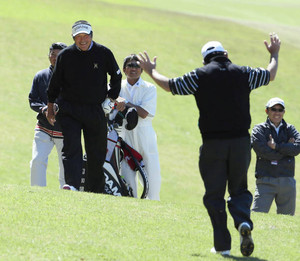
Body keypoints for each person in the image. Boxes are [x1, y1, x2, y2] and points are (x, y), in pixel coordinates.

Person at [138, 33, 281, 256]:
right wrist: (274, 54)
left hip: (213, 144)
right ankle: (243, 221)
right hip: (241, 143)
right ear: (226, 54)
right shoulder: (244, 73)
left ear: (205, 59)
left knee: (214, 195)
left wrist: (151, 71)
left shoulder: (200, 75)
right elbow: (270, 74)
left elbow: (170, 86)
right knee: (239, 189)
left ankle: (223, 246)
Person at [46, 20, 122, 193]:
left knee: (96, 151)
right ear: (73, 38)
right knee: (71, 147)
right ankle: (72, 185)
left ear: (91, 35)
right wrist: (50, 108)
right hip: (69, 109)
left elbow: (116, 76)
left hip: (96, 109)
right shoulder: (65, 55)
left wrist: (110, 100)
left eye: (85, 36)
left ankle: (94, 190)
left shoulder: (104, 53)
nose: (82, 40)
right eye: (78, 36)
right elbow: (54, 83)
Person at [116, 54, 161, 200]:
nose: (133, 68)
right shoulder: (117, 87)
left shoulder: (149, 88)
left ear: (141, 69)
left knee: (153, 181)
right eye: (130, 65)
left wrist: (124, 103)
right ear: (124, 69)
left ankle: (155, 208)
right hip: (124, 136)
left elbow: (143, 112)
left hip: (145, 136)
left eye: (137, 66)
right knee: (128, 181)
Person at [251, 97, 300, 215]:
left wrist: (276, 146)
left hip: (287, 181)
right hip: (265, 180)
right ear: (267, 111)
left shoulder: (290, 129)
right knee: (257, 217)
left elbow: (297, 149)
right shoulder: (259, 129)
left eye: (280, 110)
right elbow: (263, 151)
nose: (277, 113)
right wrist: (287, 148)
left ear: (284, 112)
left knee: (287, 221)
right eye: (273, 109)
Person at [29, 42, 67, 188]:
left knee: (65, 166)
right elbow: (33, 100)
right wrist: (44, 109)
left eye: (59, 55)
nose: (55, 58)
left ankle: (66, 195)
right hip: (43, 128)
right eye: (52, 54)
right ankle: (37, 193)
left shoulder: (72, 78)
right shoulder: (40, 75)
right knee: (37, 160)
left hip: (64, 130)